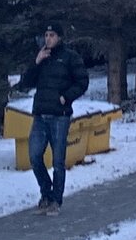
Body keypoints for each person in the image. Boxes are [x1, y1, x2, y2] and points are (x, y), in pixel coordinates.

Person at [14, 23, 89, 213]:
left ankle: (56, 200)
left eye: (52, 35)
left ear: (59, 37)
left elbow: (82, 81)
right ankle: (46, 193)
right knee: (34, 156)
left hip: (59, 116)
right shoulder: (42, 57)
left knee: (58, 162)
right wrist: (36, 62)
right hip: (40, 115)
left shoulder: (70, 57)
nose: (48, 38)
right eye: (46, 35)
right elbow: (26, 82)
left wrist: (66, 97)